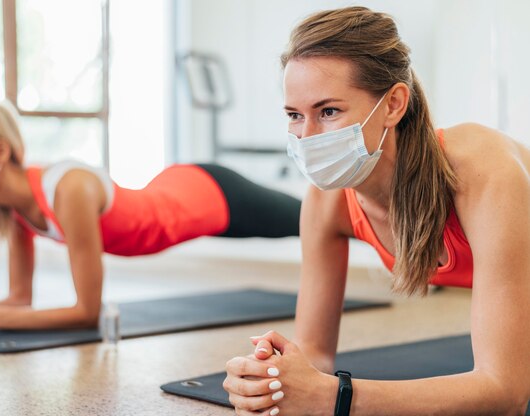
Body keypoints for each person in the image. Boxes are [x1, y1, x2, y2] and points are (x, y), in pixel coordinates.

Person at [223, 6, 530, 415]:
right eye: (295, 116)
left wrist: (337, 398)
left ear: (393, 104)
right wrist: (274, 380)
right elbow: (315, 352)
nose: (307, 137)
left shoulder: (481, 170)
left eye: (328, 111)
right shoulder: (326, 200)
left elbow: (505, 392)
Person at [0, 102, 301, 336]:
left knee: (321, 218)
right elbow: (21, 299)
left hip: (211, 195)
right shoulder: (14, 208)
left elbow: (87, 313)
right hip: (178, 190)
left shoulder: (69, 187)